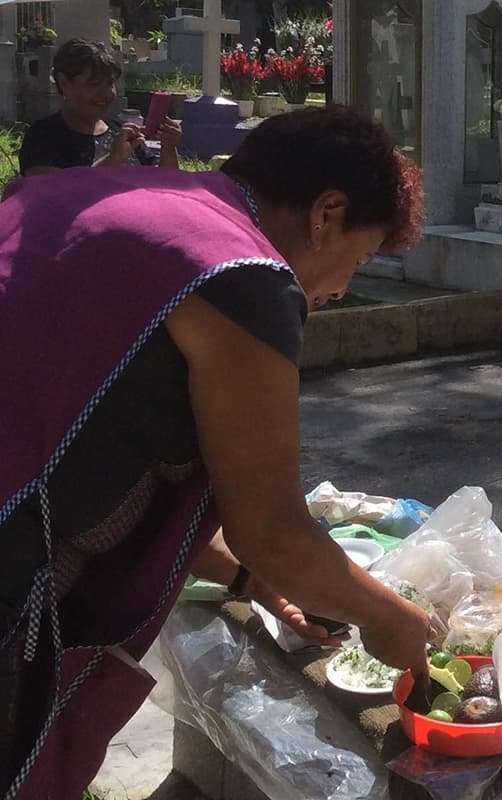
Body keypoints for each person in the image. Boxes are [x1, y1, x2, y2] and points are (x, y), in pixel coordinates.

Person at [0, 107, 432, 798]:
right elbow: (272, 530)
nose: (345, 286)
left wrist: (248, 581)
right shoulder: (243, 273)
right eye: (359, 257)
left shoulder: (82, 197)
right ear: (327, 212)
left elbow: (105, 434)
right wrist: (394, 620)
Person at [19, 38, 183, 176]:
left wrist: (168, 148)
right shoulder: (43, 137)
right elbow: (54, 195)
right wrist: (113, 160)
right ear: (64, 83)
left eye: (110, 83)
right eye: (94, 84)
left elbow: (164, 186)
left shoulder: (121, 133)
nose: (106, 94)